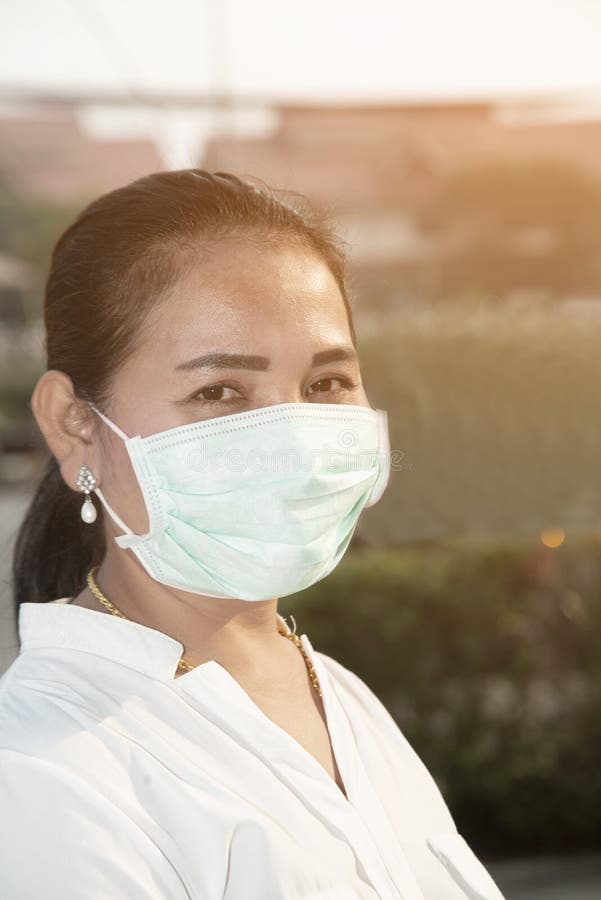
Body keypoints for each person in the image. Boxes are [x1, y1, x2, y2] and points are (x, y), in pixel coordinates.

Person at [0, 169, 505, 899]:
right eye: (219, 392)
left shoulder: (332, 690)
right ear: (75, 426)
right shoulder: (42, 772)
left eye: (327, 383)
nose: (295, 440)